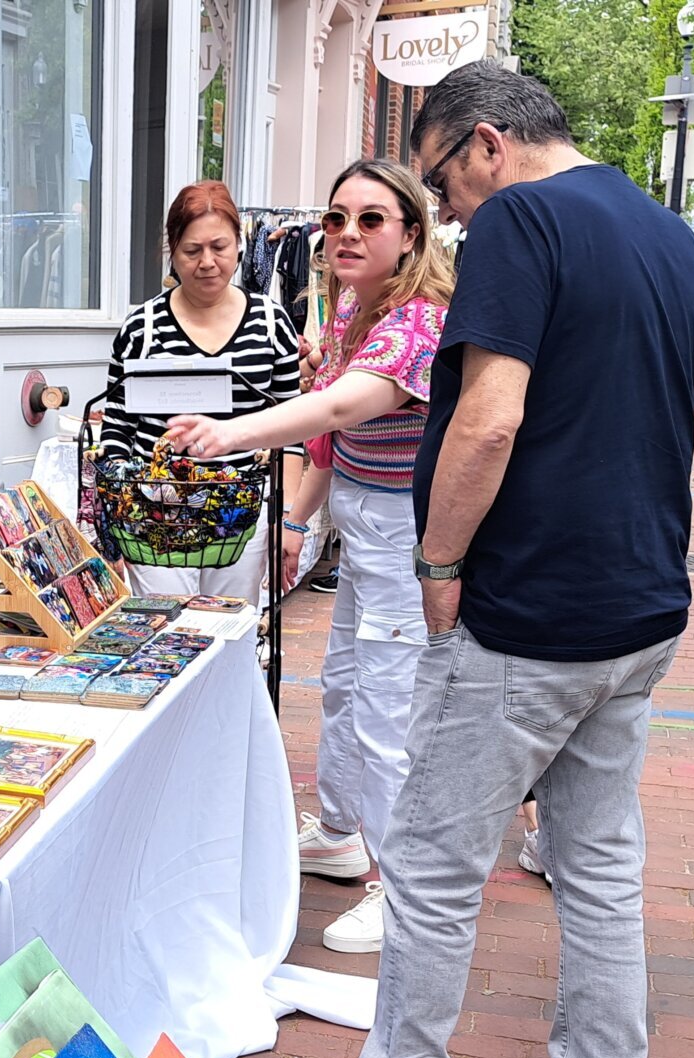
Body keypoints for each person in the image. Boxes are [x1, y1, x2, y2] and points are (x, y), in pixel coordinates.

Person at [264, 62, 694, 1058]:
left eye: (440, 181)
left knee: (433, 863)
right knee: (600, 867)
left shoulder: (519, 223)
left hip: (531, 611)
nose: (446, 210)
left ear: (487, 144)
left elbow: (489, 417)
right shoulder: (661, 233)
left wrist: (439, 560)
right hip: (639, 600)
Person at [167, 158, 453, 954]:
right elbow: (332, 440)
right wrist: (293, 527)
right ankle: (339, 831)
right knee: (344, 687)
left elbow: (340, 405)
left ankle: (402, 894)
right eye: (336, 219)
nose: (347, 234)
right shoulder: (348, 311)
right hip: (363, 526)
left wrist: (232, 433)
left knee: (391, 711)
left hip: (405, 534)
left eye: (370, 219)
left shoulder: (419, 319)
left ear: (409, 234)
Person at [98, 181, 304, 605]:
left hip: (240, 512)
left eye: (219, 247)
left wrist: (287, 518)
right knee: (163, 629)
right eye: (192, 251)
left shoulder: (270, 323)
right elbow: (116, 432)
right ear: (172, 250)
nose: (207, 262)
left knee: (229, 628)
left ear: (240, 245)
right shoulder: (143, 328)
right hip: (154, 513)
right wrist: (114, 520)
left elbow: (292, 431)